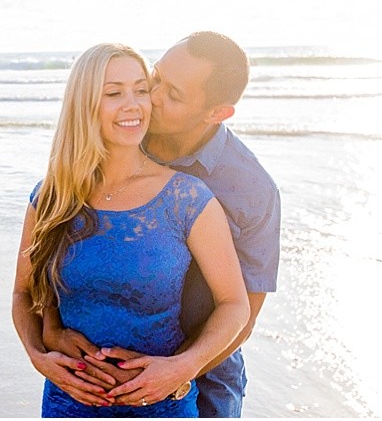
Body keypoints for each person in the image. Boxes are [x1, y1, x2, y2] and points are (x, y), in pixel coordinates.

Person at [43, 32, 281, 417]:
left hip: (205, 372)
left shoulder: (252, 191)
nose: (150, 97)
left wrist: (177, 374)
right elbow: (54, 254)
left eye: (172, 94)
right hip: (102, 373)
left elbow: (243, 315)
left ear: (216, 113)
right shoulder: (122, 135)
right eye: (155, 77)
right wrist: (50, 331)